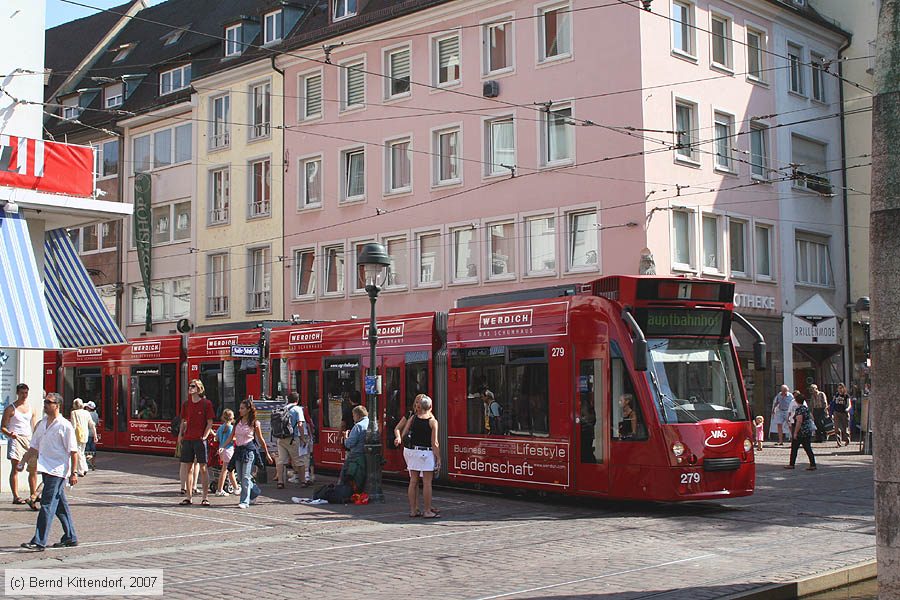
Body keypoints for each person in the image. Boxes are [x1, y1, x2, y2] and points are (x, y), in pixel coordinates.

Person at [19, 393, 79, 551]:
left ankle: (39, 541)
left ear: (57, 405)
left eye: (48, 402)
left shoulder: (65, 425)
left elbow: (73, 452)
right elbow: (34, 446)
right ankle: (70, 537)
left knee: (47, 505)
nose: (45, 405)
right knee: (60, 505)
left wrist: (73, 473)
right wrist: (23, 461)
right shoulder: (42, 423)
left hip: (58, 470)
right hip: (45, 468)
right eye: (44, 402)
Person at [398, 394, 440, 518]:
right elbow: (435, 443)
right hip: (425, 453)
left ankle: (413, 510)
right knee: (427, 483)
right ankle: (427, 511)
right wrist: (438, 457)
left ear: (419, 406)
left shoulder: (413, 418)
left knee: (413, 481)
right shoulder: (433, 422)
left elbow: (404, 434)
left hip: (412, 452)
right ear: (430, 407)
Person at [225, 398, 272, 509]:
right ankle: (255, 490)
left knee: (246, 477)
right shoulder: (237, 422)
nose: (240, 410)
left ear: (248, 410)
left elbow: (260, 439)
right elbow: (231, 437)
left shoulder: (255, 423)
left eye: (242, 408)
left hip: (249, 451)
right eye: (240, 408)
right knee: (241, 478)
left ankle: (244, 501)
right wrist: (222, 446)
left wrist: (267, 454)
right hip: (238, 451)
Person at [2, 383, 38, 507]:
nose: (24, 395)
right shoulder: (10, 409)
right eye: (22, 393)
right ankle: (16, 496)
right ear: (17, 393)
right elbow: (2, 427)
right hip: (16, 438)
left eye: (26, 393)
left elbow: (35, 426)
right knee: (16, 467)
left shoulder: (31, 408)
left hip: (29, 439)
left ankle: (33, 494)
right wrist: (10, 434)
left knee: (33, 468)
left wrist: (37, 440)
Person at [178, 379, 214, 506]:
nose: (190, 388)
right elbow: (183, 420)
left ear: (199, 389)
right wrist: (180, 435)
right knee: (189, 468)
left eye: (193, 386)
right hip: (188, 439)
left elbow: (210, 422)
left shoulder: (206, 404)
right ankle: (189, 496)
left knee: (203, 468)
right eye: (189, 386)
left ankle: (205, 497)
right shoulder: (186, 404)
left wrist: (204, 436)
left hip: (199, 440)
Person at [276, 392, 309, 489]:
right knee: (300, 460)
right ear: (297, 400)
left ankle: (280, 482)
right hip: (293, 438)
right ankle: (303, 481)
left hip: (281, 438)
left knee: (281, 461)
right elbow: (300, 425)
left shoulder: (283, 408)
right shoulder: (298, 409)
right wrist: (302, 438)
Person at [784, 393, 817, 471]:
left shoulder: (799, 410)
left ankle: (792, 464)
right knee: (808, 448)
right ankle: (813, 464)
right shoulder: (806, 408)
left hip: (801, 432)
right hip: (807, 430)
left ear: (796, 401)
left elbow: (799, 421)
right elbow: (812, 417)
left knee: (794, 448)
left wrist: (795, 432)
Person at [341, 405, 369, 492]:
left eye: (353, 415)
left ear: (357, 415)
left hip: (356, 455)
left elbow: (349, 444)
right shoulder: (370, 423)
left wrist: (345, 437)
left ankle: (342, 491)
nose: (353, 418)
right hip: (367, 454)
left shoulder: (358, 426)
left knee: (344, 474)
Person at [214, 409, 239, 497]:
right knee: (227, 470)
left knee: (227, 470)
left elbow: (216, 438)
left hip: (222, 450)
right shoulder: (231, 428)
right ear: (232, 418)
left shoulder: (221, 427)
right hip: (229, 450)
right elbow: (232, 439)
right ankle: (221, 490)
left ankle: (235, 488)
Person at [69, 398, 96, 477]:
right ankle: (84, 468)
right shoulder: (86, 413)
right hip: (85, 434)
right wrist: (95, 435)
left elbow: (73, 425)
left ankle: (81, 470)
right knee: (82, 451)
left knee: (78, 452)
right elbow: (92, 424)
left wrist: (70, 436)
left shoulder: (74, 413)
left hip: (77, 435)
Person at [831, 382, 852, 447]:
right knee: (837, 428)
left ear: (844, 388)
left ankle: (847, 440)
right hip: (836, 412)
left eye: (841, 388)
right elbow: (833, 403)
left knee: (845, 428)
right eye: (839, 388)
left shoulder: (846, 396)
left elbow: (849, 404)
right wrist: (831, 411)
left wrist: (847, 409)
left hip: (844, 413)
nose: (840, 389)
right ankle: (838, 443)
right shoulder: (836, 395)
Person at [84, 401, 100, 471]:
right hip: (94, 434)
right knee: (93, 450)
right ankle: (93, 464)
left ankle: (86, 465)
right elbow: (97, 423)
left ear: (88, 408)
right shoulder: (96, 414)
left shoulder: (87, 414)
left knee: (86, 450)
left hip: (87, 434)